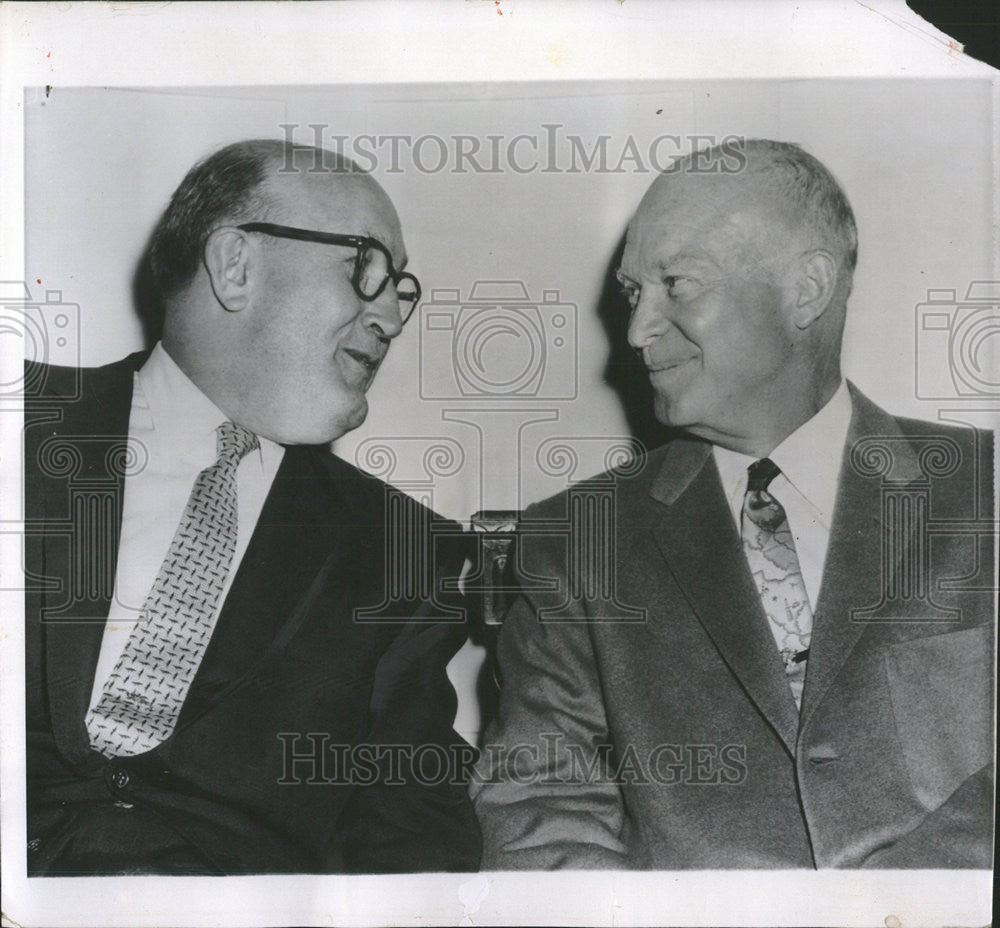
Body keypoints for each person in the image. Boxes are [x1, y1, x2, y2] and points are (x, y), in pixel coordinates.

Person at [471, 139, 994, 869]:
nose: (637, 331)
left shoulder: (981, 491)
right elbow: (540, 807)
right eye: (631, 293)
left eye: (676, 284)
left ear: (806, 289)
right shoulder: (576, 540)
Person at [24, 139, 481, 874]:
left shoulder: (405, 550)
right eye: (366, 266)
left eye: (402, 289)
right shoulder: (20, 419)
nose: (393, 317)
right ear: (236, 266)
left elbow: (413, 837)